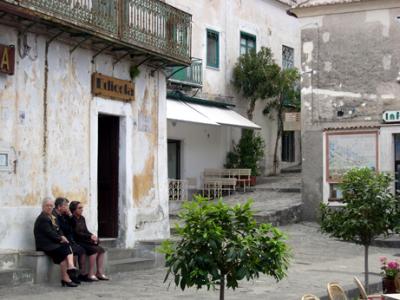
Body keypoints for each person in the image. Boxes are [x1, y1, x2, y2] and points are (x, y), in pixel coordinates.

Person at [33, 197, 79, 287]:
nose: (49, 207)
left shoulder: (52, 217)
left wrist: (62, 236)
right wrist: (60, 238)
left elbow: (58, 229)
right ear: (42, 207)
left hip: (52, 243)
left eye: (51, 206)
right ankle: (70, 268)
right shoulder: (43, 218)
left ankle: (66, 278)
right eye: (47, 206)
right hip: (45, 244)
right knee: (65, 248)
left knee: (64, 254)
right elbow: (50, 233)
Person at [69, 201, 109, 281]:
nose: (82, 209)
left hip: (85, 240)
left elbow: (86, 231)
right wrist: (90, 236)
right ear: (74, 209)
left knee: (101, 250)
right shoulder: (72, 219)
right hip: (77, 241)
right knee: (94, 250)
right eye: (79, 208)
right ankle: (91, 273)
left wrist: (93, 236)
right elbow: (77, 233)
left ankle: (99, 272)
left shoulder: (82, 218)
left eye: (82, 208)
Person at [53, 197, 89, 281]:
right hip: (63, 240)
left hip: (69, 239)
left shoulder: (65, 214)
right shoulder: (55, 215)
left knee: (81, 250)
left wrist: (70, 214)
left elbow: (74, 224)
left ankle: (81, 273)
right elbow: (60, 229)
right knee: (73, 252)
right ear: (59, 207)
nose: (67, 207)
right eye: (66, 205)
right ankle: (73, 276)